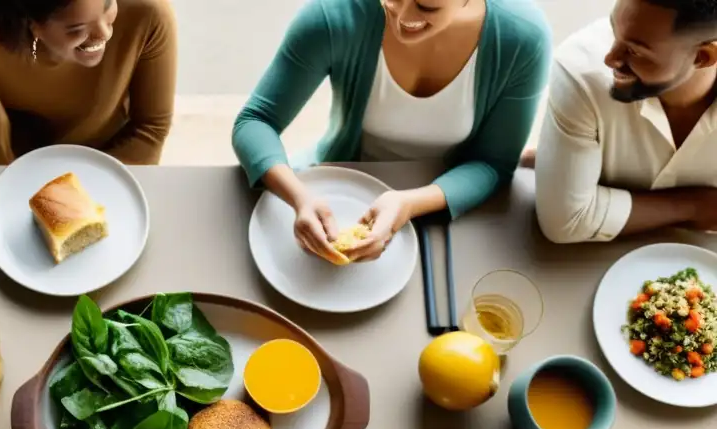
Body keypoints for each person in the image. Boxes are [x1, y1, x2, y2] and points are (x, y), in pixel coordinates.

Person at [231, 0, 551, 264]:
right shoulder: (334, 15)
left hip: (446, 208)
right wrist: (299, 196)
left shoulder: (523, 38)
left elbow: (493, 163)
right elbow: (256, 120)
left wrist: (409, 204)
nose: (402, 16)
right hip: (337, 185)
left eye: (427, 7)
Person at [534, 0, 717, 243]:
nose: (610, 59)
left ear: (702, 57)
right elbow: (564, 221)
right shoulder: (581, 74)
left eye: (635, 51)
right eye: (614, 29)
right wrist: (695, 206)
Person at [0, 0, 177, 166]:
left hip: (116, 160)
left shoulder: (148, 11)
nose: (104, 33)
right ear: (28, 23)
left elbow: (151, 127)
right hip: (13, 164)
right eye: (77, 28)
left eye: (107, 3)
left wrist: (72, 192)